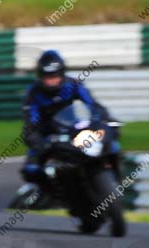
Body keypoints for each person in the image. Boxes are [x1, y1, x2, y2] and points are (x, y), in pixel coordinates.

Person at [20, 50, 117, 201]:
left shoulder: (73, 85)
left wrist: (102, 119)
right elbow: (31, 122)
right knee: (31, 169)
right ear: (40, 76)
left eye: (55, 76)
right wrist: (38, 141)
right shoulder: (33, 93)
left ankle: (110, 178)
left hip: (74, 127)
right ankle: (49, 193)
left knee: (110, 140)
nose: (51, 80)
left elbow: (92, 105)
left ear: (62, 73)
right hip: (48, 134)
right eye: (47, 77)